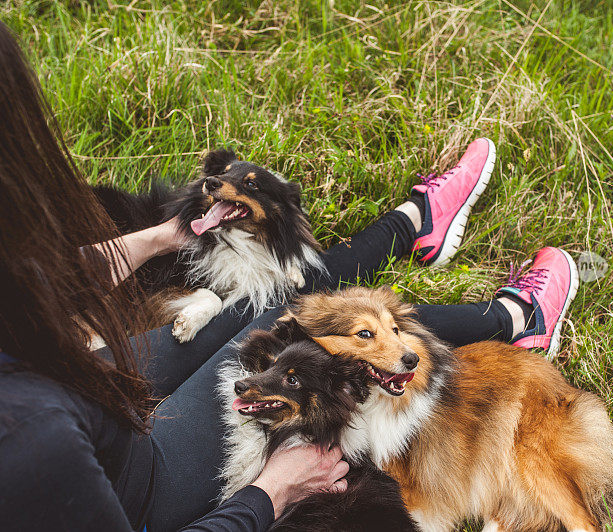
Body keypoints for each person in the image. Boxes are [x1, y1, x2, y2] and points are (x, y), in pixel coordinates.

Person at [0, 21, 578, 532]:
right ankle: (502, 310)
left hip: (89, 398)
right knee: (296, 332)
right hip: (145, 481)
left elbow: (33, 288)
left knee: (274, 303)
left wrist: (159, 238)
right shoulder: (31, 441)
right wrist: (271, 493)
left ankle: (438, 250)